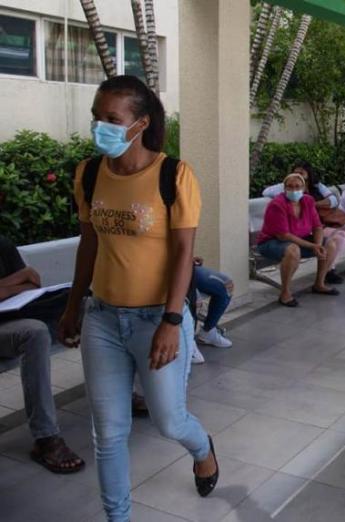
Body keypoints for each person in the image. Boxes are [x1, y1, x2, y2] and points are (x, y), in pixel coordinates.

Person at [57, 75, 218, 522]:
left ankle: (202, 449)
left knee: (169, 421)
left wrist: (172, 320)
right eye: (97, 117)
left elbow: (184, 252)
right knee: (108, 433)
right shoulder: (89, 174)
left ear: (140, 123)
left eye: (112, 118)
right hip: (102, 318)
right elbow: (89, 244)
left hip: (157, 319)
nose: (100, 127)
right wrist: (73, 305)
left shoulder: (174, 175)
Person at [0, 237, 85, 474]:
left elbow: (33, 283)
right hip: (13, 327)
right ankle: (46, 437)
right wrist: (17, 280)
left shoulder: (3, 245)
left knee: (88, 306)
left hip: (14, 318)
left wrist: (6, 288)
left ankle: (122, 394)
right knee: (35, 333)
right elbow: (26, 278)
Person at [257, 172, 344, 306]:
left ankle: (319, 284)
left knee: (330, 244)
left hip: (299, 239)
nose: (294, 190)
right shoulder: (277, 204)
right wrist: (313, 246)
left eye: (297, 186)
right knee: (293, 250)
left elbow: (317, 226)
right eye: (290, 186)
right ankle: (285, 293)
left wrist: (318, 245)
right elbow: (283, 235)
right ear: (284, 188)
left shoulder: (308, 201)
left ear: (303, 188)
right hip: (272, 242)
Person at [193, 258, 233, 348]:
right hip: (171, 270)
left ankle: (208, 331)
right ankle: (187, 343)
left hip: (184, 266)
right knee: (194, 300)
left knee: (227, 284)